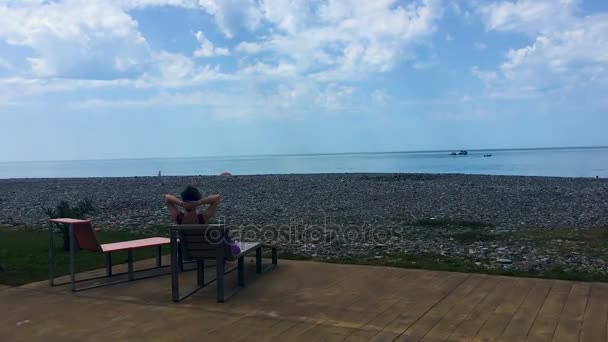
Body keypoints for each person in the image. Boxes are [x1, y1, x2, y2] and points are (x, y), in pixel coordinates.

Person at [164, 186, 240, 254]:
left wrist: (181, 203)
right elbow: (217, 198)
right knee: (233, 245)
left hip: (189, 250)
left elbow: (167, 197)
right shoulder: (202, 218)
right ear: (198, 198)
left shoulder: (178, 218)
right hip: (207, 249)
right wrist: (197, 203)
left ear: (183, 198)